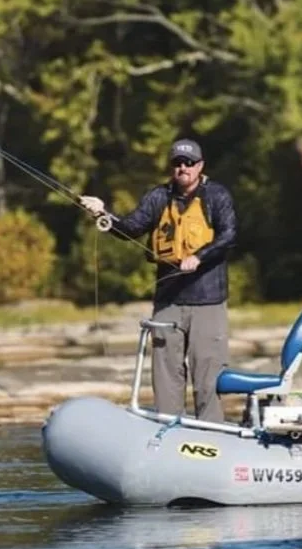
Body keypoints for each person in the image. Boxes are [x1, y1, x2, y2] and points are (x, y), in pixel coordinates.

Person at [80, 138, 237, 422]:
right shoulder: (157, 197)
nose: (182, 168)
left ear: (200, 166)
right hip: (168, 302)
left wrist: (199, 256)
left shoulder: (217, 196)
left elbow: (228, 236)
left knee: (207, 375)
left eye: (189, 163)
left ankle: (212, 433)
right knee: (166, 375)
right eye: (177, 163)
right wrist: (103, 214)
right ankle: (169, 430)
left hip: (208, 302)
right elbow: (130, 228)